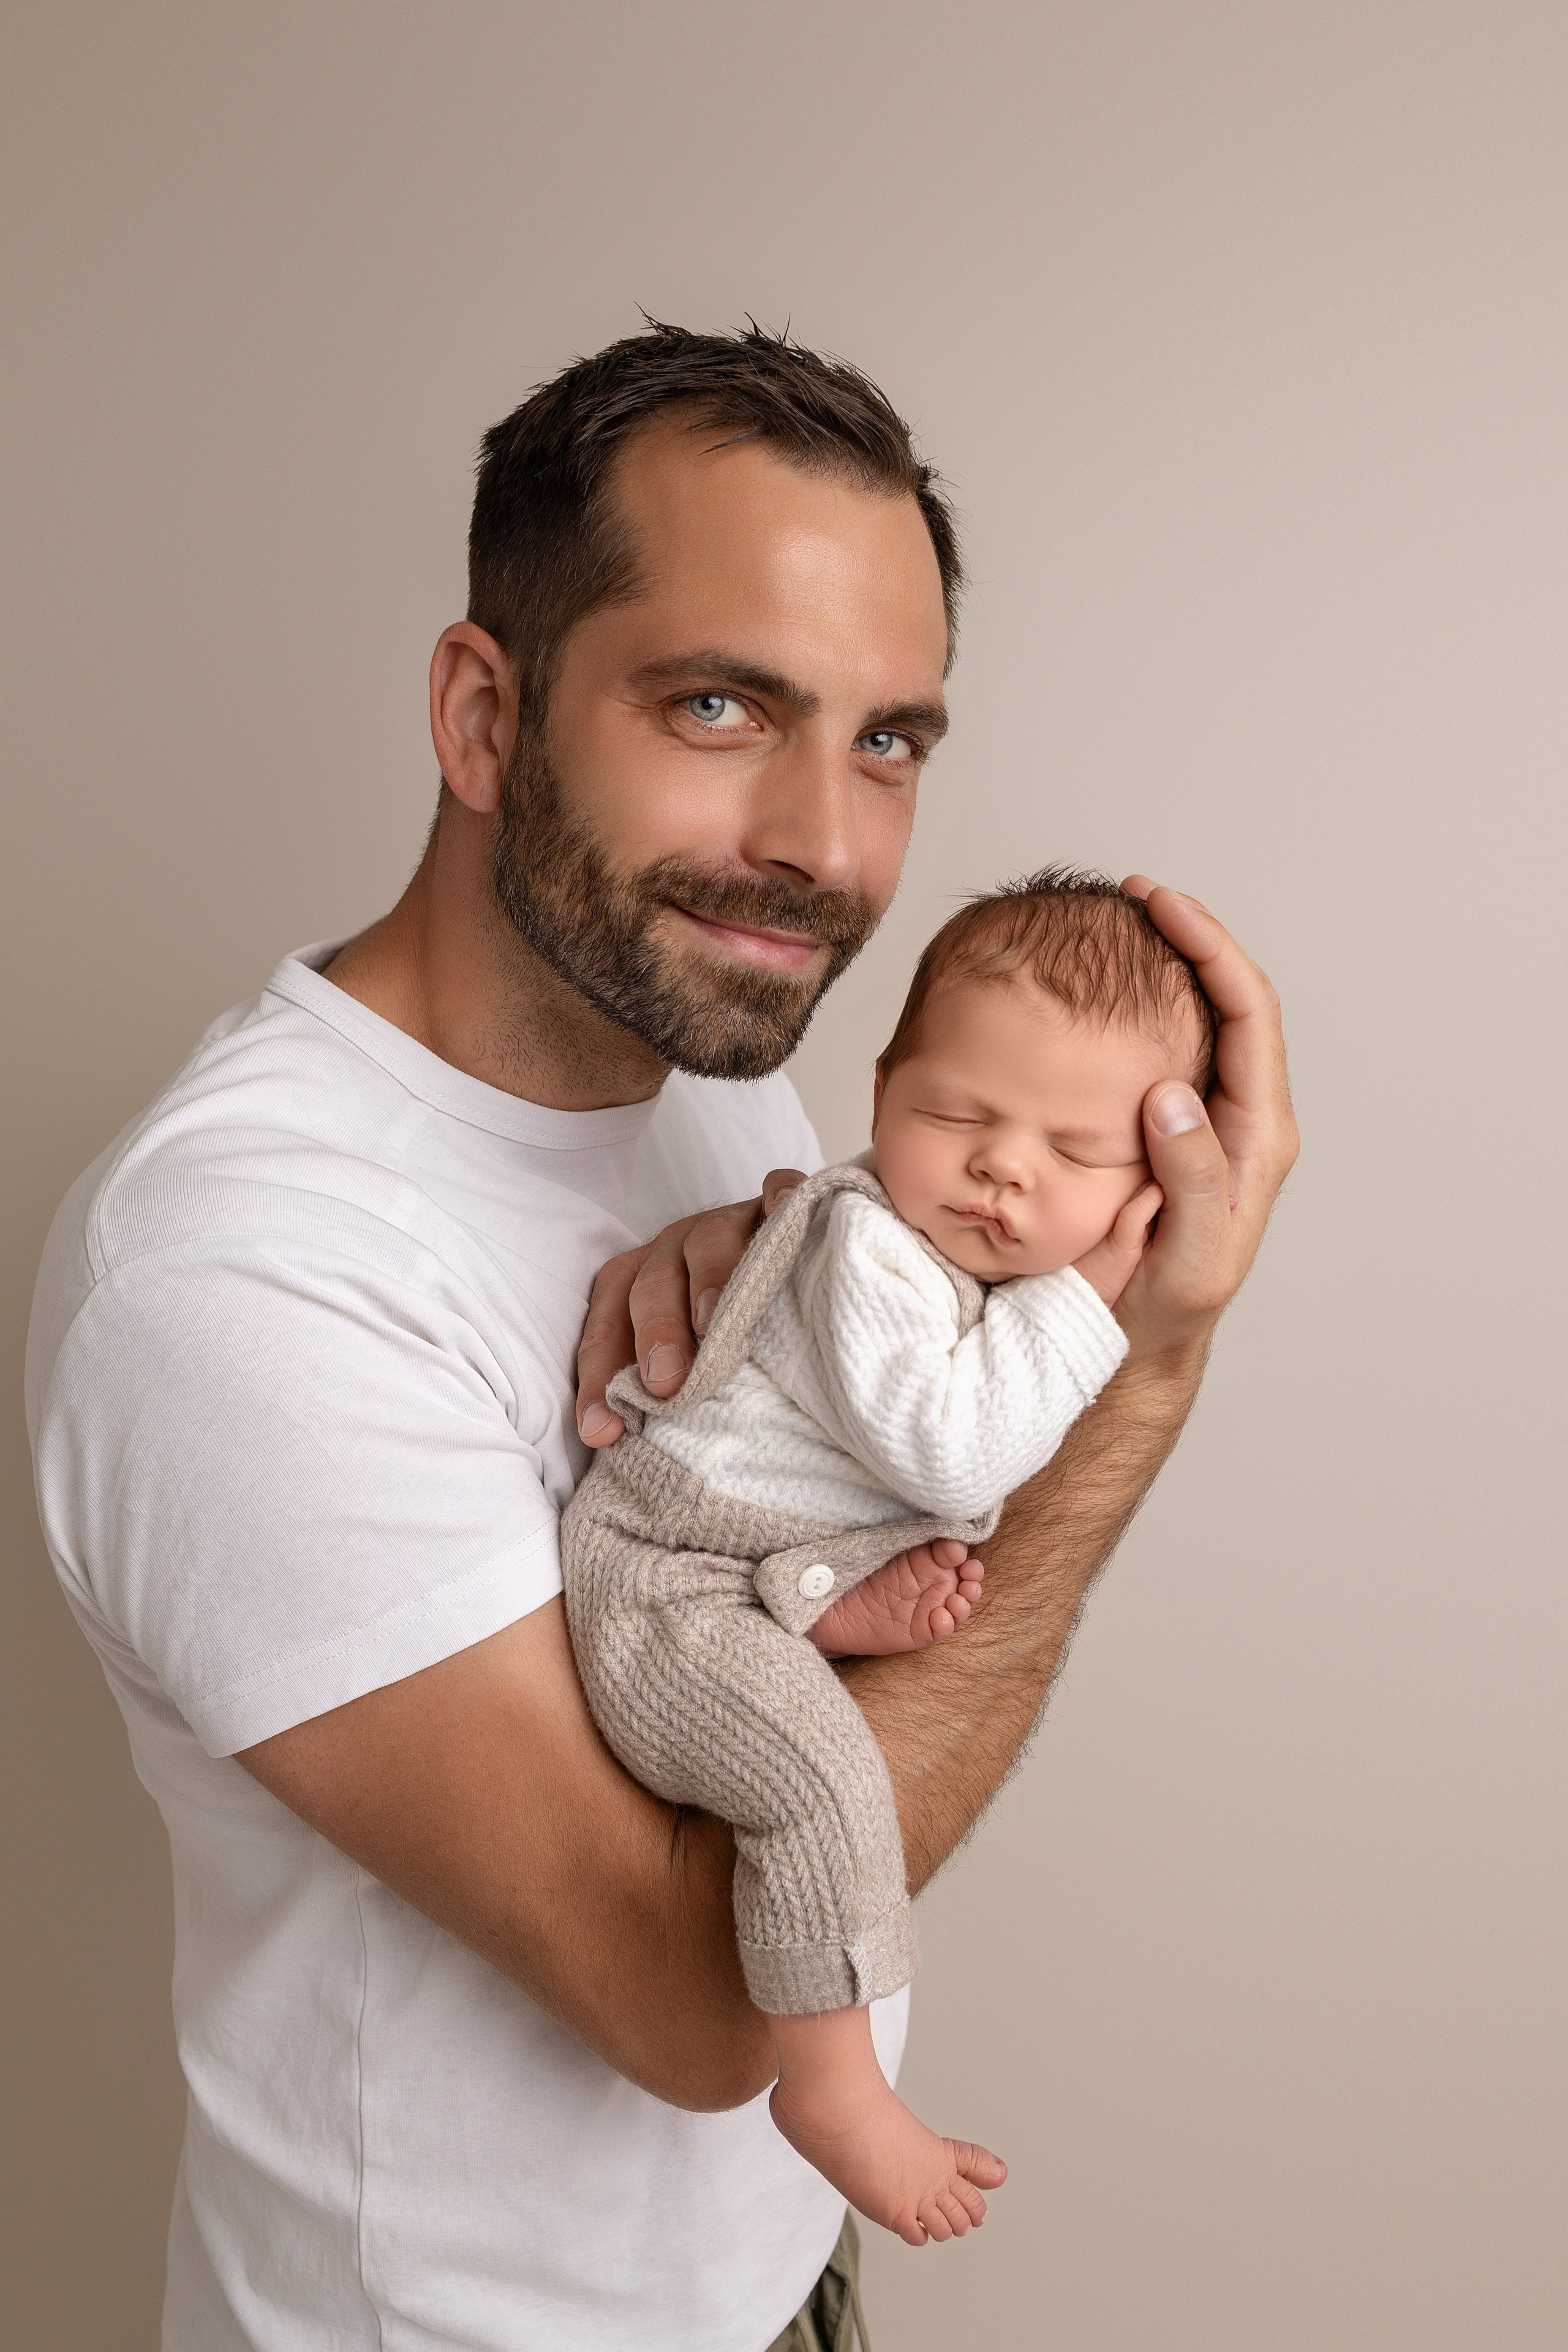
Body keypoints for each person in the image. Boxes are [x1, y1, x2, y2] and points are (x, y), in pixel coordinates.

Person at [25, 322, 1298, 2352]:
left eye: (889, 740)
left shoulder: (714, 1073)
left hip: (775, 2283)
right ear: (478, 713)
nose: (826, 842)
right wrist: (1149, 1361)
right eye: (720, 703)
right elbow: (704, 1999)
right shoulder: (240, 1275)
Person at [562, 870, 1216, 2249]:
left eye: (1075, 1151)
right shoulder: (871, 1243)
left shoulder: (954, 1260)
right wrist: (1100, 1295)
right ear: (880, 1092)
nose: (1002, 1168)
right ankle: (832, 2092)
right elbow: (956, 1459)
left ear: (1155, 1179)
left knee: (863, 1649)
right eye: (957, 1115)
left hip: (759, 1564)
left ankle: (831, 1604)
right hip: (668, 1577)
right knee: (817, 1779)